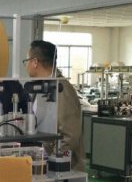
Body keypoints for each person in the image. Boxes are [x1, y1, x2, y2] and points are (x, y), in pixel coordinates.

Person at [24, 39, 86, 172]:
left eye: (26, 61)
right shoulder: (41, 87)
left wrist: (53, 162)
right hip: (45, 164)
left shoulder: (61, 89)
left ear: (35, 62)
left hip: (63, 170)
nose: (26, 66)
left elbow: (70, 135)